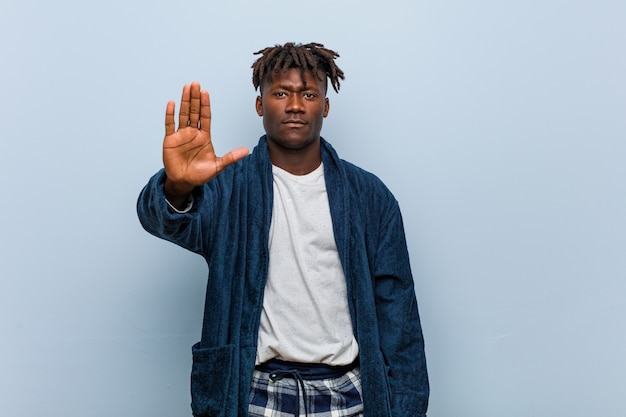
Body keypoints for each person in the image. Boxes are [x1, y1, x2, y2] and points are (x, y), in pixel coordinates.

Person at [137, 42, 429, 417]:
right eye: (281, 93)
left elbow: (399, 319)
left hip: (349, 396)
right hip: (252, 393)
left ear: (325, 106)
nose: (294, 105)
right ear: (261, 105)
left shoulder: (370, 197)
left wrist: (408, 409)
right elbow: (164, 221)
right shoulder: (228, 188)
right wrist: (178, 186)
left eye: (308, 94)